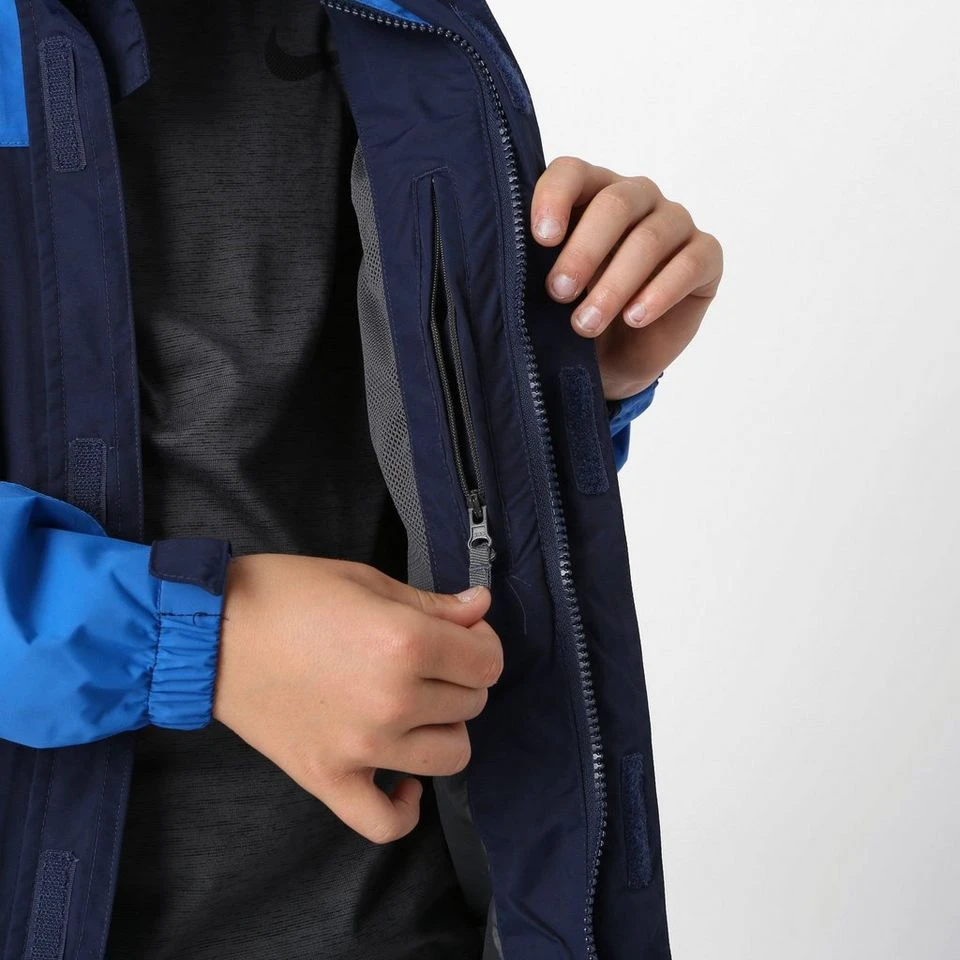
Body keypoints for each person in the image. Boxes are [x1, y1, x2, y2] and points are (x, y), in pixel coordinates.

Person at [0, 1, 721, 957]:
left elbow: (426, 478)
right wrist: (192, 638)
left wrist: (564, 382)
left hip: (425, 910)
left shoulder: (399, 21)